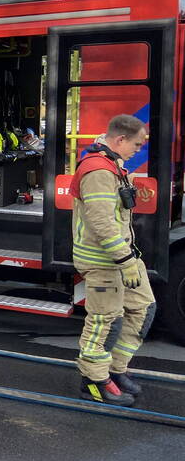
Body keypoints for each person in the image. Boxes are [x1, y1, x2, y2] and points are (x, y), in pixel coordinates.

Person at [70, 114, 153, 406]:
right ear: (120, 140)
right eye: (137, 144)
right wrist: (126, 261)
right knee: (105, 322)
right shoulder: (98, 171)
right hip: (104, 262)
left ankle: (114, 371)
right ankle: (93, 381)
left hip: (121, 258)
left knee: (143, 309)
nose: (138, 150)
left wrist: (128, 259)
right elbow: (102, 223)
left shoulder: (113, 166)